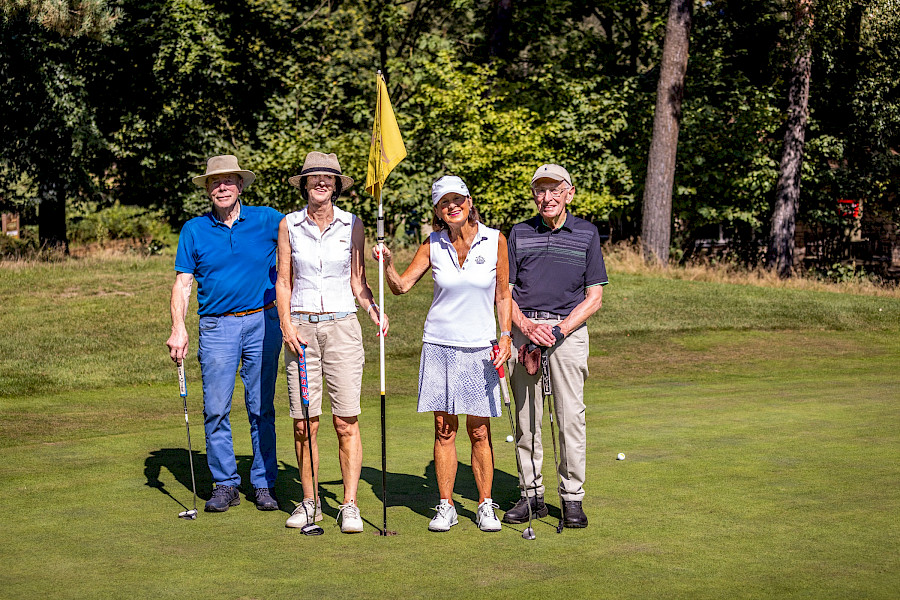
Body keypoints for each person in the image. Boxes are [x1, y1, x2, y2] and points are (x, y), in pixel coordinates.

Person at [375, 175, 512, 532]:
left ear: (469, 201)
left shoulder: (496, 239)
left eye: (457, 199)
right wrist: (387, 263)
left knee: (479, 430)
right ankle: (446, 505)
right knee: (443, 429)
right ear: (437, 210)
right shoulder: (432, 244)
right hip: (439, 344)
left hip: (481, 346)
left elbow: (502, 296)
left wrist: (507, 336)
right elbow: (401, 286)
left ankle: (485, 505)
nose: (451, 206)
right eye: (443, 202)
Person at [276, 152, 387, 534]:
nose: (320, 182)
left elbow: (358, 282)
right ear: (304, 184)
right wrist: (286, 323)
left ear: (337, 184)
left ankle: (350, 505)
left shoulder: (352, 224)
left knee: (345, 421)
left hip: (342, 328)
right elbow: (284, 281)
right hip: (301, 330)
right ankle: (311, 503)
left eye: (328, 177)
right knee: (306, 422)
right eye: (313, 177)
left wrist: (374, 308)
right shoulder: (288, 224)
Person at [166, 154, 283, 512]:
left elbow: (308, 240)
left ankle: (263, 483)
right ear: (207, 189)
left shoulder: (267, 219)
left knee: (260, 407)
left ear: (241, 186)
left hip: (263, 322)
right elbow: (183, 282)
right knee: (216, 409)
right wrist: (178, 328)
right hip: (216, 326)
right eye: (215, 182)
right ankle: (225, 483)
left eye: (229, 181)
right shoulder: (194, 229)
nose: (222, 187)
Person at [502, 163, 608, 529]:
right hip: (524, 331)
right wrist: (527, 326)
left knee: (569, 419)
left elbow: (594, 297)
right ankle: (531, 495)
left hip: (568, 332)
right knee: (527, 420)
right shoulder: (518, 233)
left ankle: (571, 498)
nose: (546, 197)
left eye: (553, 190)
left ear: (569, 193)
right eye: (539, 191)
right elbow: (505, 293)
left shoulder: (587, 233)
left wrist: (559, 330)